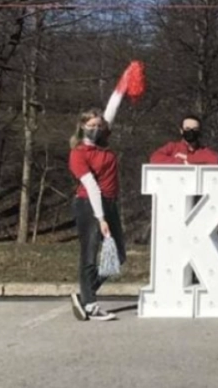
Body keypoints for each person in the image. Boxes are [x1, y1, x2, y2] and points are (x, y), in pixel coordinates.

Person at [68, 109, 126, 322]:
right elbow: (91, 186)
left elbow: (110, 110)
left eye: (98, 126)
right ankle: (90, 304)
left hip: (110, 204)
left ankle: (85, 295)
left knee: (119, 256)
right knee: (90, 255)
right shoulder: (78, 152)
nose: (95, 129)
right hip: (89, 204)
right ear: (82, 126)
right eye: (90, 125)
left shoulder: (104, 147)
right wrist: (101, 218)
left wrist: (126, 82)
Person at [149, 114, 218, 165]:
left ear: (199, 131)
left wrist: (188, 158)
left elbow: (215, 159)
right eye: (187, 129)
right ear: (181, 131)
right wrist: (180, 162)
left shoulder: (203, 150)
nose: (191, 132)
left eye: (195, 129)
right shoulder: (172, 147)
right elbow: (154, 158)